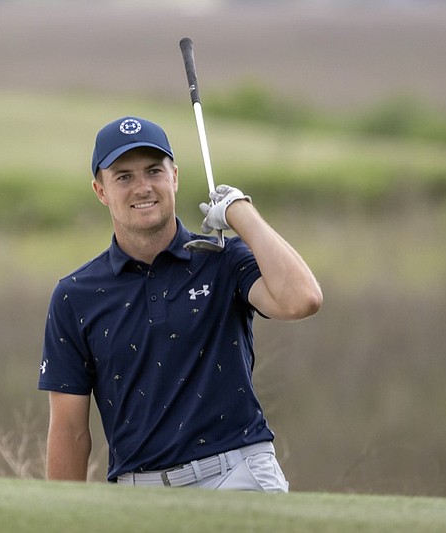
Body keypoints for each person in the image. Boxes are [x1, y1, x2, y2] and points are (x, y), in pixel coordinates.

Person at [38, 116, 322, 492]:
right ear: (100, 191)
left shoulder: (222, 259)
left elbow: (303, 300)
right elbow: (70, 430)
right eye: (123, 176)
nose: (143, 187)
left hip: (237, 473)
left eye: (154, 171)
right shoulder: (75, 295)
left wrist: (241, 212)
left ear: (174, 177)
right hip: (138, 492)